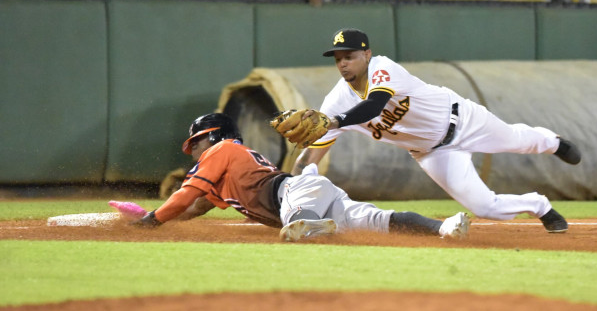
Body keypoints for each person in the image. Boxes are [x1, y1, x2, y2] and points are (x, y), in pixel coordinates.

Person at [290, 28, 578, 234]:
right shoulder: (335, 102)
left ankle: (553, 143)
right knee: (485, 208)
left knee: (518, 141)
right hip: (432, 153)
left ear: (367, 54)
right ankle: (539, 206)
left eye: (349, 56)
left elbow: (375, 106)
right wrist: (296, 182)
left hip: (463, 120)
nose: (342, 63)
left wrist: (335, 121)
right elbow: (313, 152)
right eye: (337, 58)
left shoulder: (383, 68)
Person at [131, 112, 471, 242]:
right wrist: (153, 217)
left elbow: (187, 194)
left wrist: (151, 220)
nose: (193, 149)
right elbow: (193, 207)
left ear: (214, 136)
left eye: (197, 141)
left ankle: (311, 226)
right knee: (380, 220)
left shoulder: (219, 152)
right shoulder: (227, 165)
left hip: (295, 193)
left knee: (295, 230)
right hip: (311, 192)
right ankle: (444, 227)